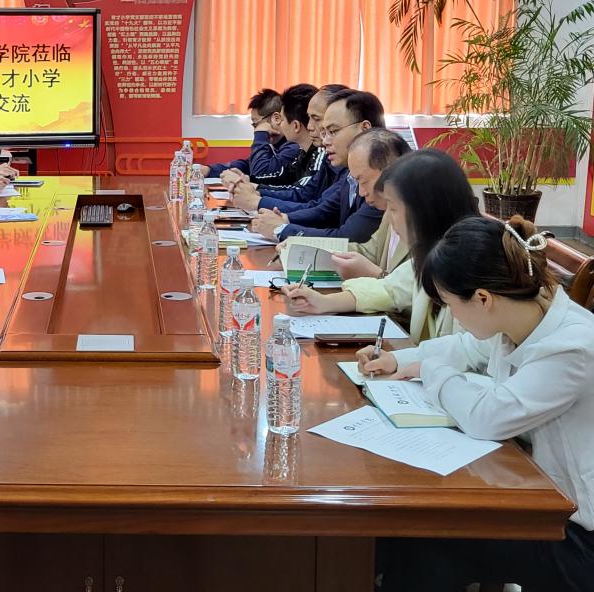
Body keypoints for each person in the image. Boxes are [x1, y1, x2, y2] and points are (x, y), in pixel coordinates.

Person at [359, 215, 594, 591]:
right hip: (541, 498)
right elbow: (465, 348)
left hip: (576, 535)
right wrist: (398, 361)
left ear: (483, 298)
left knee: (428, 545)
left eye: (450, 304)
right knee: (397, 532)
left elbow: (489, 417)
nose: (452, 315)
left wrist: (431, 371)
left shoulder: (571, 347)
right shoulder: (524, 314)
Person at [285, 148, 478, 343]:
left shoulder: (474, 267)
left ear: (424, 210)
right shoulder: (434, 254)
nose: (390, 219)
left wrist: (401, 359)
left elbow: (463, 351)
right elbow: (389, 290)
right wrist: (323, 302)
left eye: (393, 209)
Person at [249, 90, 388, 242]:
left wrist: (281, 228)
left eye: (333, 131)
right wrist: (284, 220)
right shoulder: (349, 175)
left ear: (364, 129)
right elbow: (324, 211)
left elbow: (347, 239)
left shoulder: (382, 175)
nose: (325, 141)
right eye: (325, 133)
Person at [231, 83, 346, 209]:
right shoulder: (304, 151)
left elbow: (306, 197)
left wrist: (256, 198)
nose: (309, 126)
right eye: (309, 118)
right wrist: (251, 185)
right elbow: (287, 181)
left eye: (316, 119)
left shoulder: (312, 151)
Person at [202, 88, 302, 180]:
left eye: (256, 124)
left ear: (277, 118)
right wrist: (209, 170)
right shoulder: (274, 143)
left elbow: (260, 174)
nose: (255, 129)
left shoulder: (294, 146)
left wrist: (261, 133)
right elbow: (248, 165)